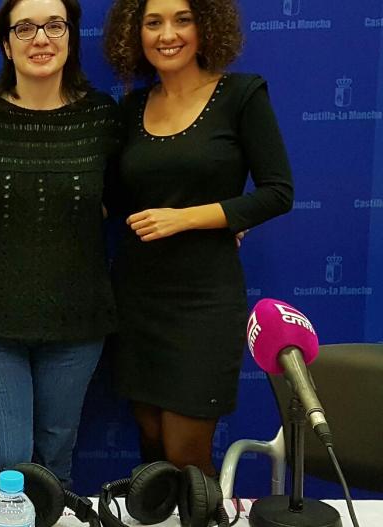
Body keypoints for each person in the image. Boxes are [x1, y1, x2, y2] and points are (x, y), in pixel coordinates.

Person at [103, 0, 293, 475]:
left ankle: (204, 511)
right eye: (153, 23)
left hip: (204, 301)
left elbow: (277, 192)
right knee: (152, 445)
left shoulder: (241, 95)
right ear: (136, 34)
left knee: (186, 453)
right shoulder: (130, 109)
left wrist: (189, 218)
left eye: (182, 20)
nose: (167, 34)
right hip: (137, 298)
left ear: (205, 26)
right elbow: (113, 199)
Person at [0, 0, 119, 491]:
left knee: (56, 457)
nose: (41, 38)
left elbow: (135, 193)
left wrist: (218, 219)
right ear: (6, 43)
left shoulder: (103, 117)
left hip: (78, 322)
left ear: (71, 36)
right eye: (24, 28)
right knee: (6, 463)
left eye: (54, 25)